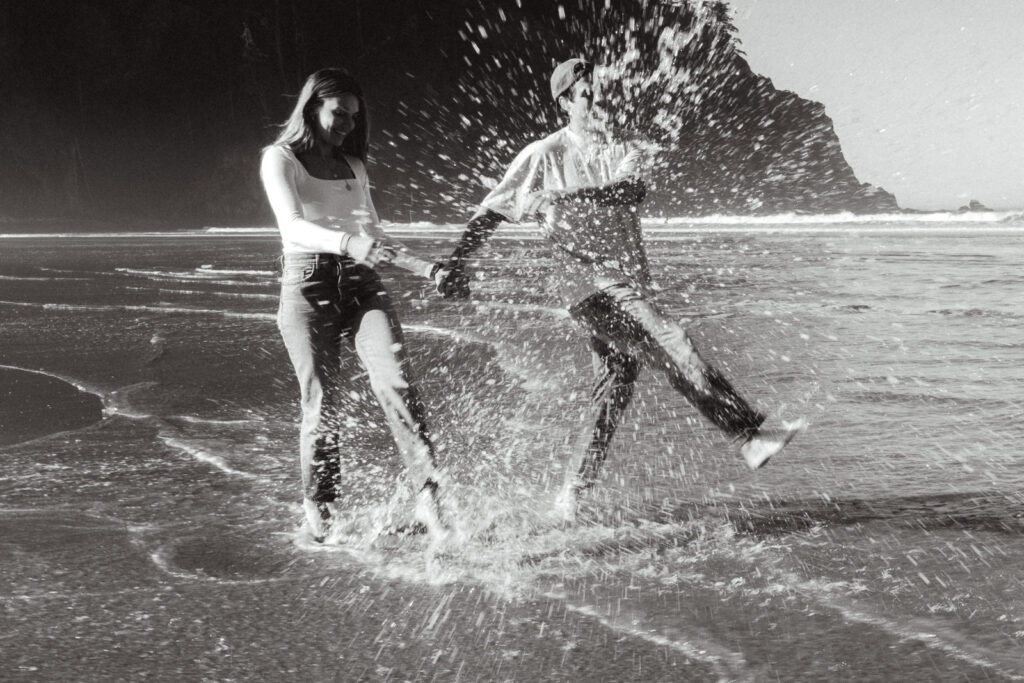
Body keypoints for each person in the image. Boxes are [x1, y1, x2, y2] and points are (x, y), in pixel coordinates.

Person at [435, 58, 804, 520]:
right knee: (672, 341)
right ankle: (748, 436)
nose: (597, 98)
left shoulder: (626, 147)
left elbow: (627, 192)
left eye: (600, 89)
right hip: (587, 285)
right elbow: (491, 210)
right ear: (566, 102)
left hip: (624, 281)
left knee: (613, 388)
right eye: (586, 92)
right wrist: (457, 263)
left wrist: (563, 198)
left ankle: (571, 497)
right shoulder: (543, 155)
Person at [260, 68, 454, 542]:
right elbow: (292, 228)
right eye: (338, 113)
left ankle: (431, 501)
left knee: (398, 384)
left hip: (363, 286)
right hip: (308, 287)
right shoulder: (280, 159)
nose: (347, 123)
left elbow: (377, 237)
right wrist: (347, 242)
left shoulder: (355, 167)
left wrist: (427, 268)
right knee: (321, 404)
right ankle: (321, 512)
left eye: (354, 117)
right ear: (312, 107)